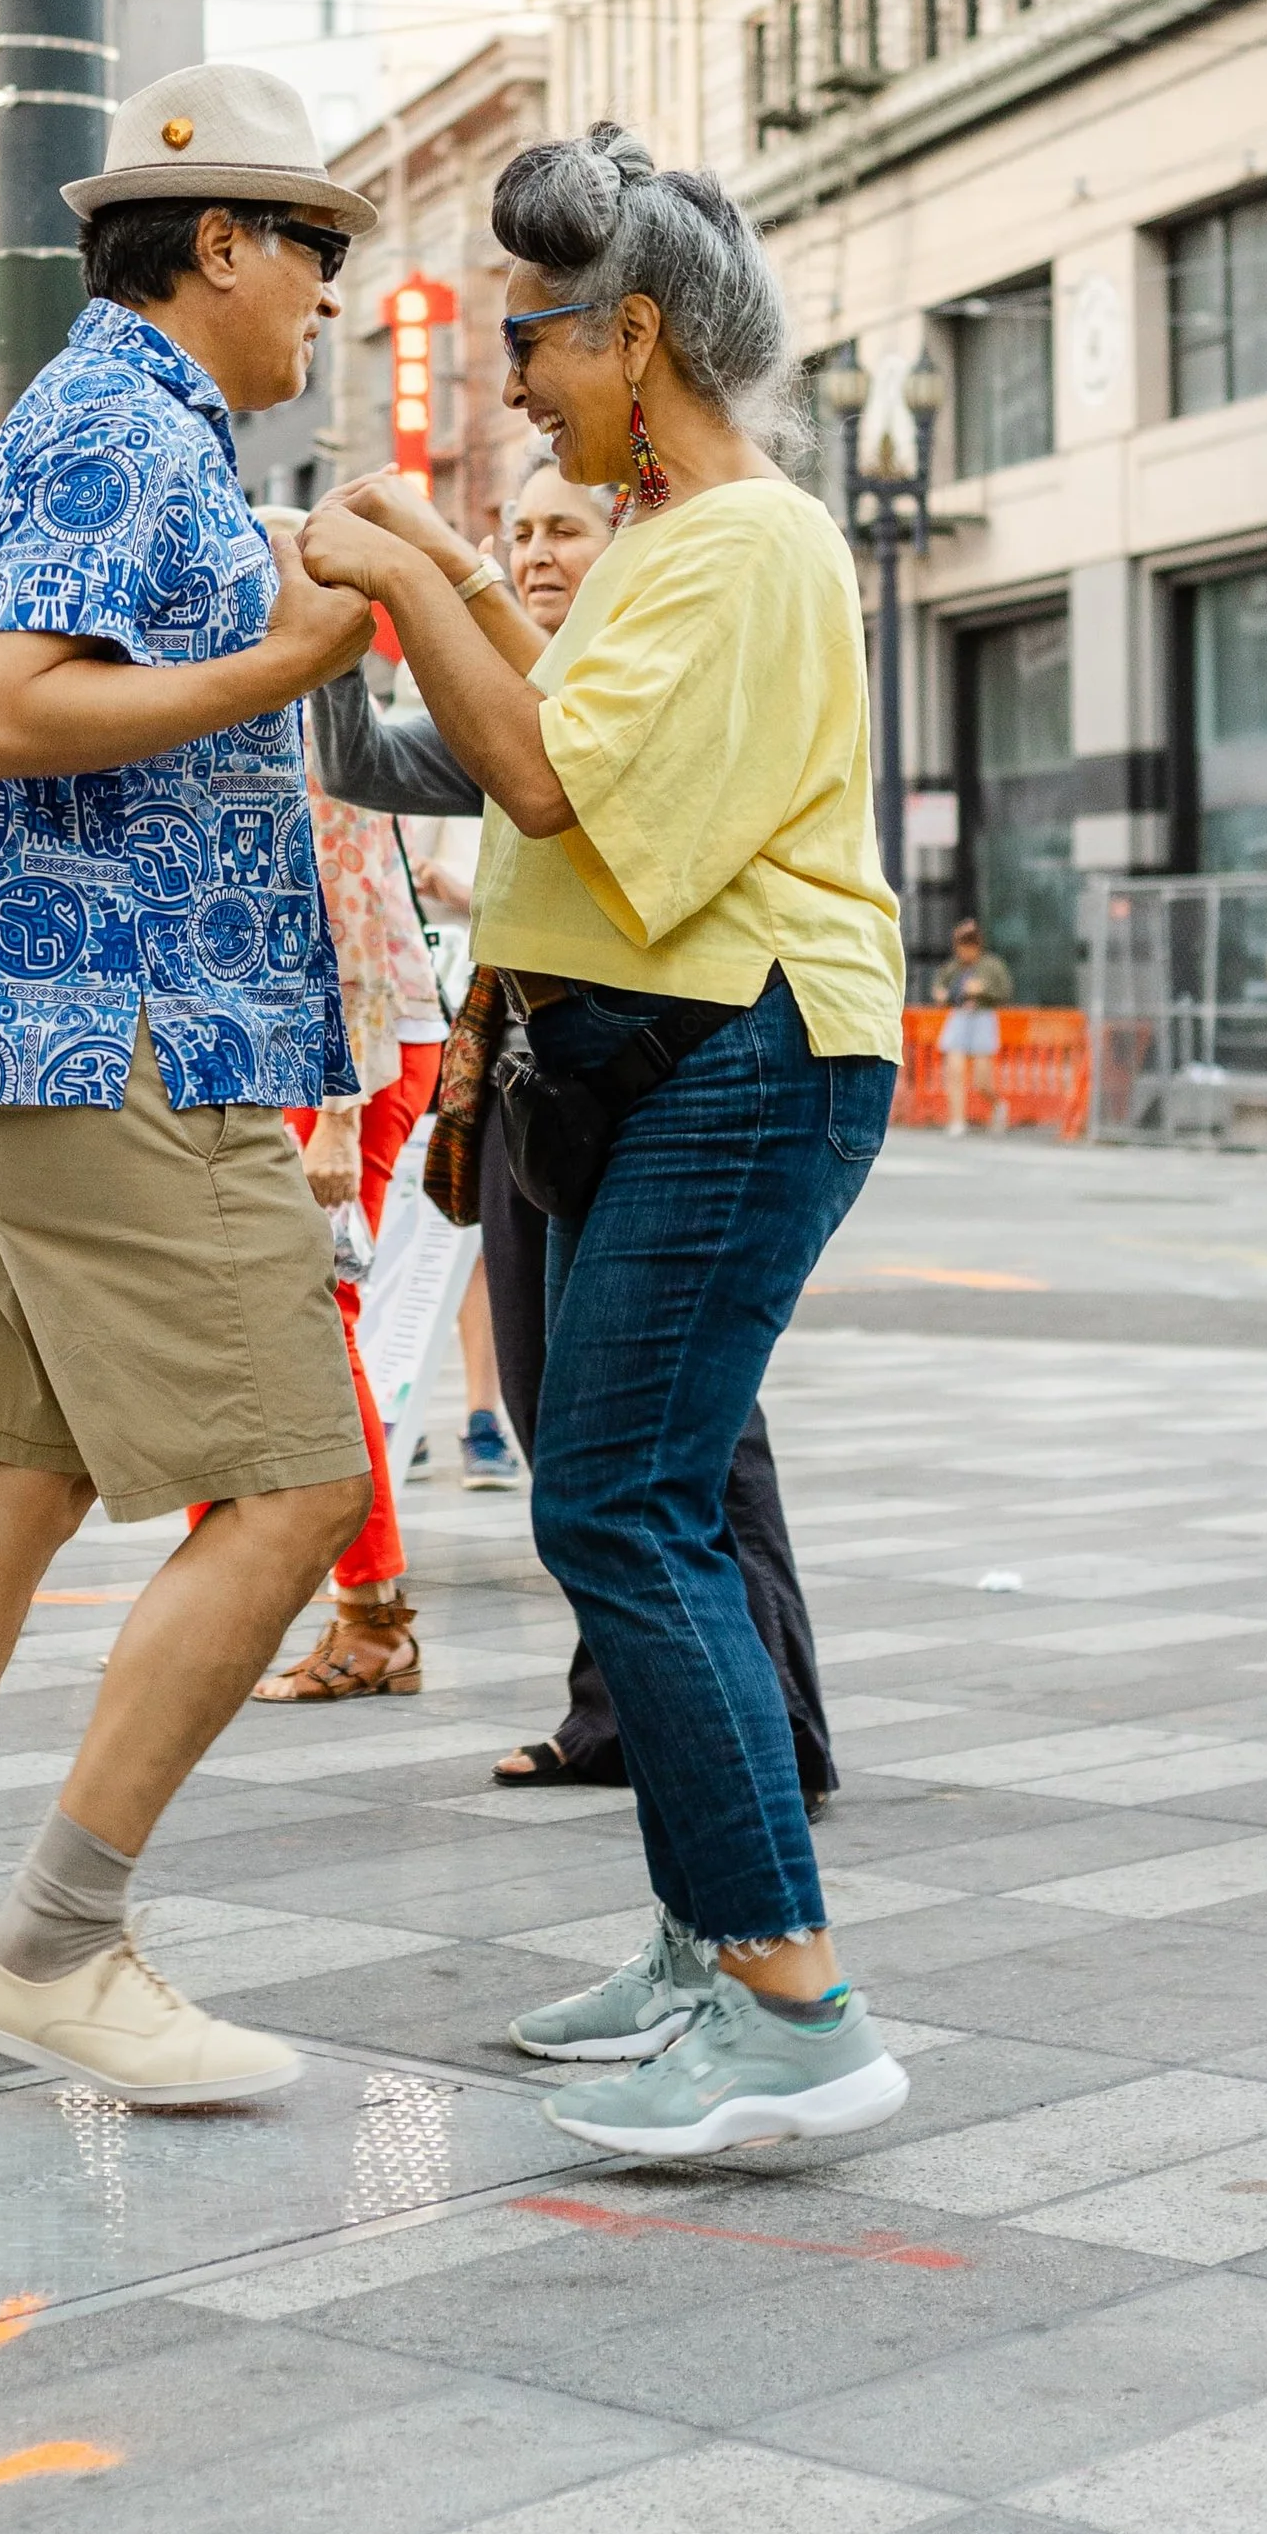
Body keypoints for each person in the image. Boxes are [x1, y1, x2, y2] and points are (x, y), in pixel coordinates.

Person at [301, 120, 910, 2158]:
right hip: (695, 1052)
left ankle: (791, 2001)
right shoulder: (674, 539)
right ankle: (697, 1941)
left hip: (746, 1050)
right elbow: (540, 702)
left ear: (632, 336)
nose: (512, 385)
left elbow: (539, 774)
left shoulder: (743, 539)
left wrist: (392, 568)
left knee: (624, 1508)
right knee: (628, 1497)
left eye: (532, 346)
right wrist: (443, 572)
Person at [0, 64, 382, 2107]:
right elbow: (15, 713)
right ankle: (54, 1943)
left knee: (13, 1492)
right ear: (216, 244)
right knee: (295, 1488)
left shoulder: (149, 434)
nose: (327, 295)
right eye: (314, 249)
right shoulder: (120, 419)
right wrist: (281, 663)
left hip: (52, 1039)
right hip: (120, 1040)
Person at [316, 452, 838, 1811]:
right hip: (532, 1081)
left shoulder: (637, 679)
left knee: (678, 1440)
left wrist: (441, 567)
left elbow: (562, 746)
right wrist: (334, 610)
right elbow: (363, 757)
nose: (536, 549)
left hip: (667, 1078)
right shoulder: (507, 697)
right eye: (518, 530)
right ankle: (644, 1715)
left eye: (564, 528)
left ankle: (753, 1725)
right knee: (580, 1429)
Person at [237, 730, 443, 1700]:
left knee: (317, 1326)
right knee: (233, 1326)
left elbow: (350, 911)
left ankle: (374, 1618)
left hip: (345, 1056)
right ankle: (228, 1609)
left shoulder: (298, 699)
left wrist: (338, 1114)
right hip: (278, 1050)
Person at [935, 917, 1013, 1134]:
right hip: (959, 1016)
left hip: (983, 1017)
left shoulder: (992, 966)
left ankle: (997, 1104)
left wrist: (983, 990)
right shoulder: (953, 967)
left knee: (981, 1080)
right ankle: (957, 1121)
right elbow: (941, 986)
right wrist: (941, 994)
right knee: (955, 1071)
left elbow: (1005, 992)